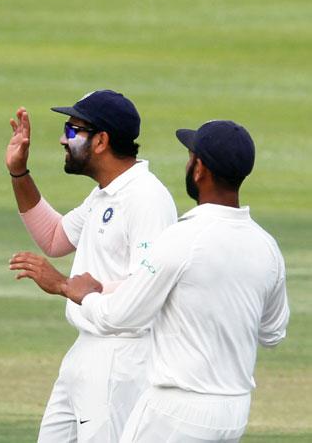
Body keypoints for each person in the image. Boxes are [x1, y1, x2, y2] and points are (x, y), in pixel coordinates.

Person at [20, 120, 290, 442]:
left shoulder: (182, 238)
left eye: (190, 157)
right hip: (233, 412)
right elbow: (272, 333)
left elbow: (122, 314)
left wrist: (75, 291)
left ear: (199, 169)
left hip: (176, 410)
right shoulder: (266, 246)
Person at [5, 90, 177, 442]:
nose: (62, 139)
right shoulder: (105, 193)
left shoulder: (146, 198)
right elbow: (54, 237)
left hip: (121, 355)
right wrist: (19, 172)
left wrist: (65, 285)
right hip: (86, 349)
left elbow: (148, 285)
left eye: (72, 130)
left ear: (101, 141)